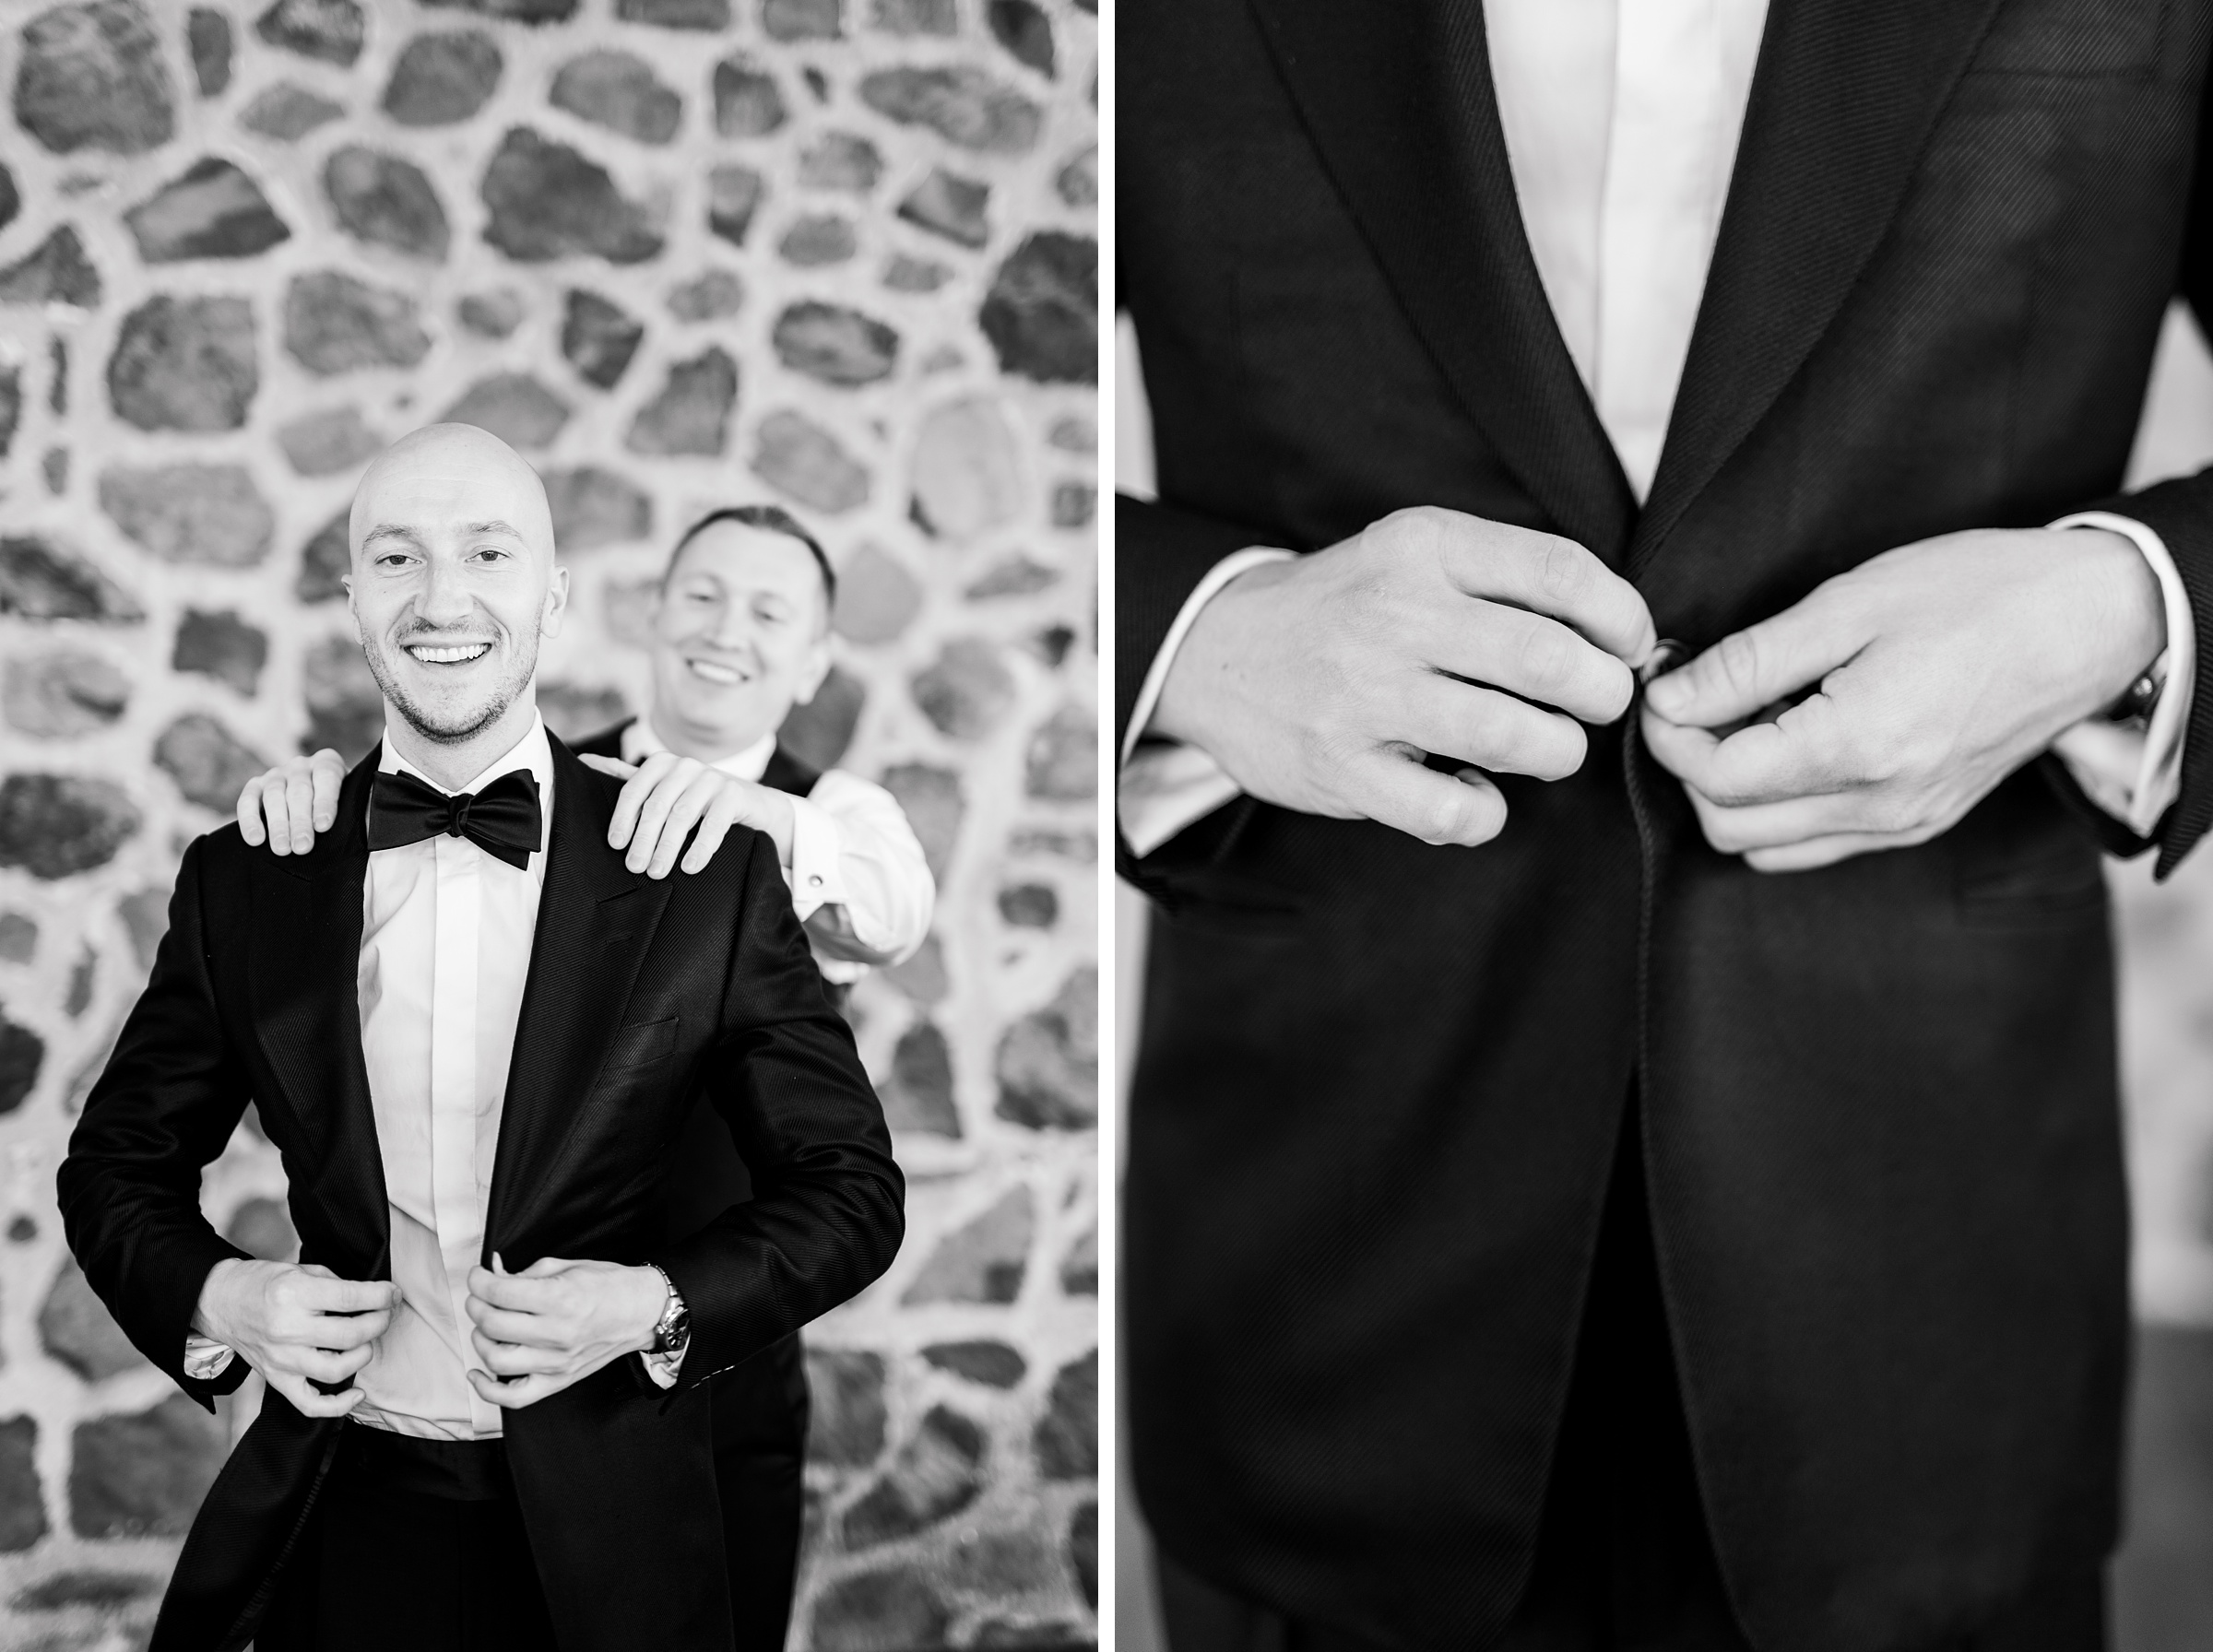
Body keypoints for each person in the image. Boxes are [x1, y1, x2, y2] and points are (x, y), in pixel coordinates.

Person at [1119, 5, 2211, 1651]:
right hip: (1328, 1272)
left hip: (1927, 1293)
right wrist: (1192, 634)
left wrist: (2118, 604)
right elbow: (939, 322)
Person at [58, 424, 905, 1652]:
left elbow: (853, 1191)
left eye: (488, 553)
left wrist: (652, 1304)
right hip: (340, 1513)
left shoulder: (700, 873)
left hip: (614, 1537)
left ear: (553, 598)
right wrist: (223, 1297)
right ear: (350, 596)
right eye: (396, 558)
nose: (443, 598)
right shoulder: (255, 873)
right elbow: (115, 1164)